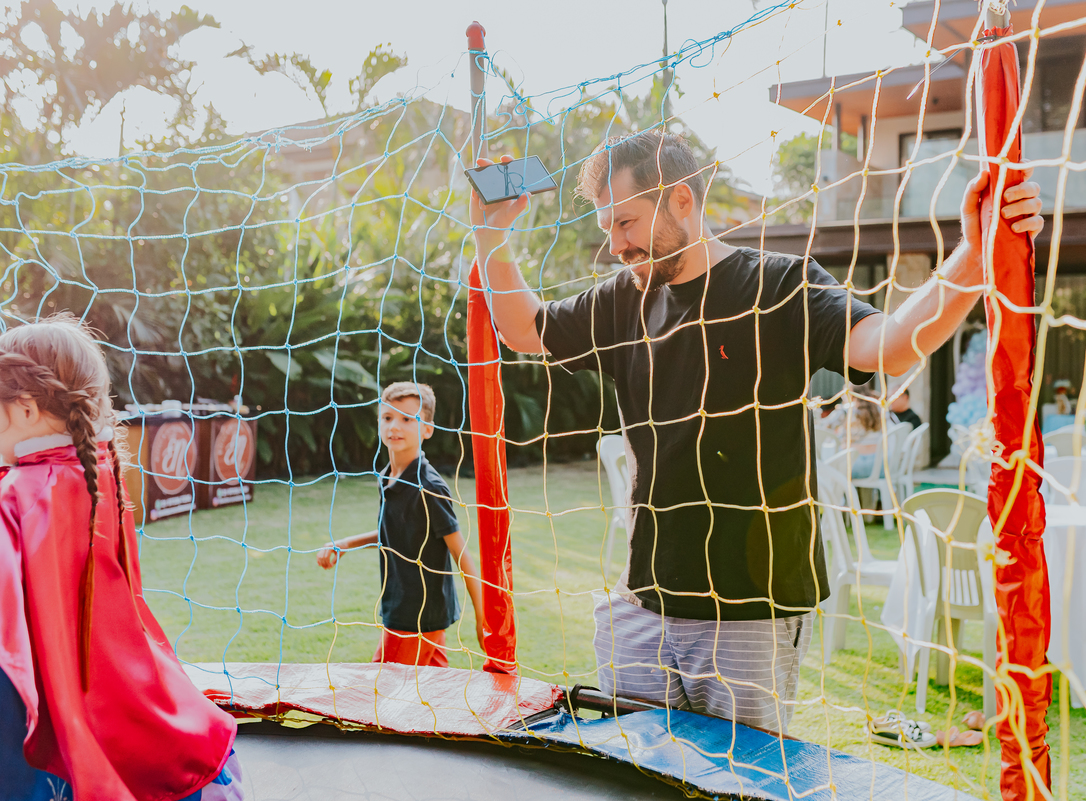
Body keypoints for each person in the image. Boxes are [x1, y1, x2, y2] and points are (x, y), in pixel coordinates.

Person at [468, 131, 1043, 732]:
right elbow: (525, 329)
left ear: (683, 201)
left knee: (743, 787)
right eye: (609, 227)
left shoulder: (781, 285)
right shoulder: (622, 300)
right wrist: (492, 236)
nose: (616, 245)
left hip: (751, 616)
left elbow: (889, 347)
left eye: (627, 223)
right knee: (629, 781)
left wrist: (975, 254)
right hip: (640, 609)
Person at [0, 316, 241, 800]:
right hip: (108, 680)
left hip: (30, 698)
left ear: (26, 410)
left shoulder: (20, 494)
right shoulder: (93, 473)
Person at [317, 382, 485, 666]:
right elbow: (392, 532)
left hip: (415, 614)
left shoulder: (429, 487)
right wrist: (345, 544)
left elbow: (460, 552)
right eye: (388, 417)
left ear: (427, 429)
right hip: (410, 607)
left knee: (381, 693)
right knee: (433, 692)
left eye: (407, 419)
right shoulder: (387, 478)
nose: (395, 426)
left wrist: (482, 617)